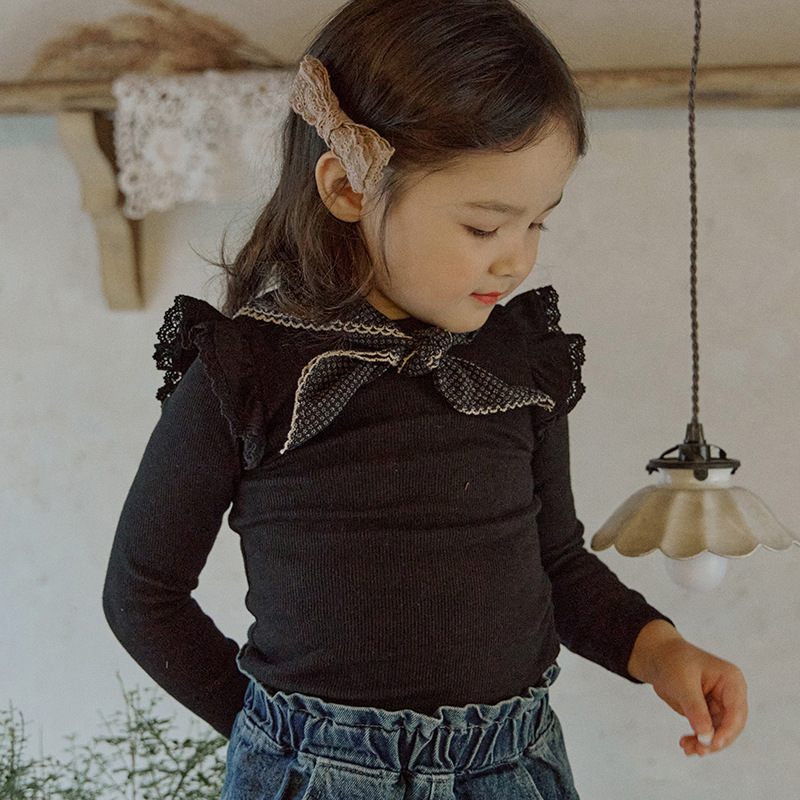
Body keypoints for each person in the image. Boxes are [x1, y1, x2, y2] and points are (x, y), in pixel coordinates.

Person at [102, 1, 748, 797]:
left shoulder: (517, 366)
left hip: (512, 767)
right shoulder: (248, 373)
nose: (516, 261)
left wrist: (661, 651)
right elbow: (143, 595)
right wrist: (271, 739)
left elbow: (557, 563)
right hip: (316, 772)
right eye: (484, 227)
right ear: (348, 187)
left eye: (537, 225)